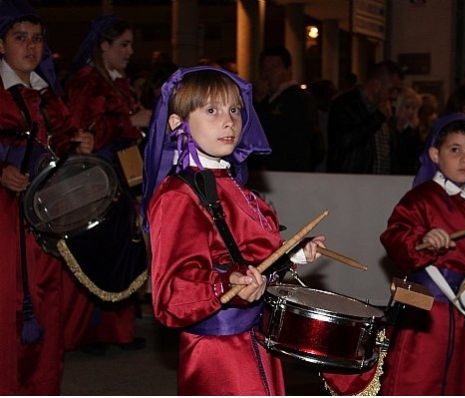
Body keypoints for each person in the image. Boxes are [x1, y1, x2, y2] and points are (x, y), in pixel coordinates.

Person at [141, 66, 326, 395]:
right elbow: (171, 292)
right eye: (211, 110)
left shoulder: (234, 186)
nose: (229, 121)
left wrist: (291, 254)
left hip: (254, 339)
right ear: (176, 123)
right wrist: (225, 284)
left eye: (235, 109)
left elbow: (247, 256)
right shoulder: (178, 196)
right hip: (218, 352)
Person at [379, 113, 465, 395]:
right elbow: (393, 236)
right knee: (417, 378)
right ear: (435, 155)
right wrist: (422, 239)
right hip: (428, 311)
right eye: (455, 150)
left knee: (464, 381)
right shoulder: (421, 198)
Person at [0, 1, 93, 394]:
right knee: (7, 305)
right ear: (1, 45)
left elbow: (64, 147)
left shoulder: (47, 94)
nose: (31, 47)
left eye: (37, 39)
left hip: (44, 219)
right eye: (20, 38)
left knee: (44, 302)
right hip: (3, 222)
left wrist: (80, 143)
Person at [63, 14, 150, 353]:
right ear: (104, 46)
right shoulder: (87, 81)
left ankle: (115, 332)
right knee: (95, 253)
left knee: (120, 250)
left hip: (121, 177)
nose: (130, 51)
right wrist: (132, 122)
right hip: (97, 179)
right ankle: (83, 333)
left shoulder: (117, 81)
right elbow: (80, 131)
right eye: (123, 44)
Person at [251, 45, 322, 172]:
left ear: (288, 70)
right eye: (265, 68)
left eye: (275, 67)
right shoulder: (263, 98)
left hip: (289, 170)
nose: (269, 73)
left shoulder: (299, 98)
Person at [327, 60, 403, 174]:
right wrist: (377, 118)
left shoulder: (384, 110)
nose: (394, 95)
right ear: (376, 85)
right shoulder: (345, 104)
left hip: (382, 183)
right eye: (391, 89)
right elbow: (344, 141)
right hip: (352, 181)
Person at [390, 87, 423, 175]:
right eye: (407, 107)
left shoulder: (412, 131)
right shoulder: (388, 128)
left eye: (414, 108)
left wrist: (414, 131)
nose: (410, 112)